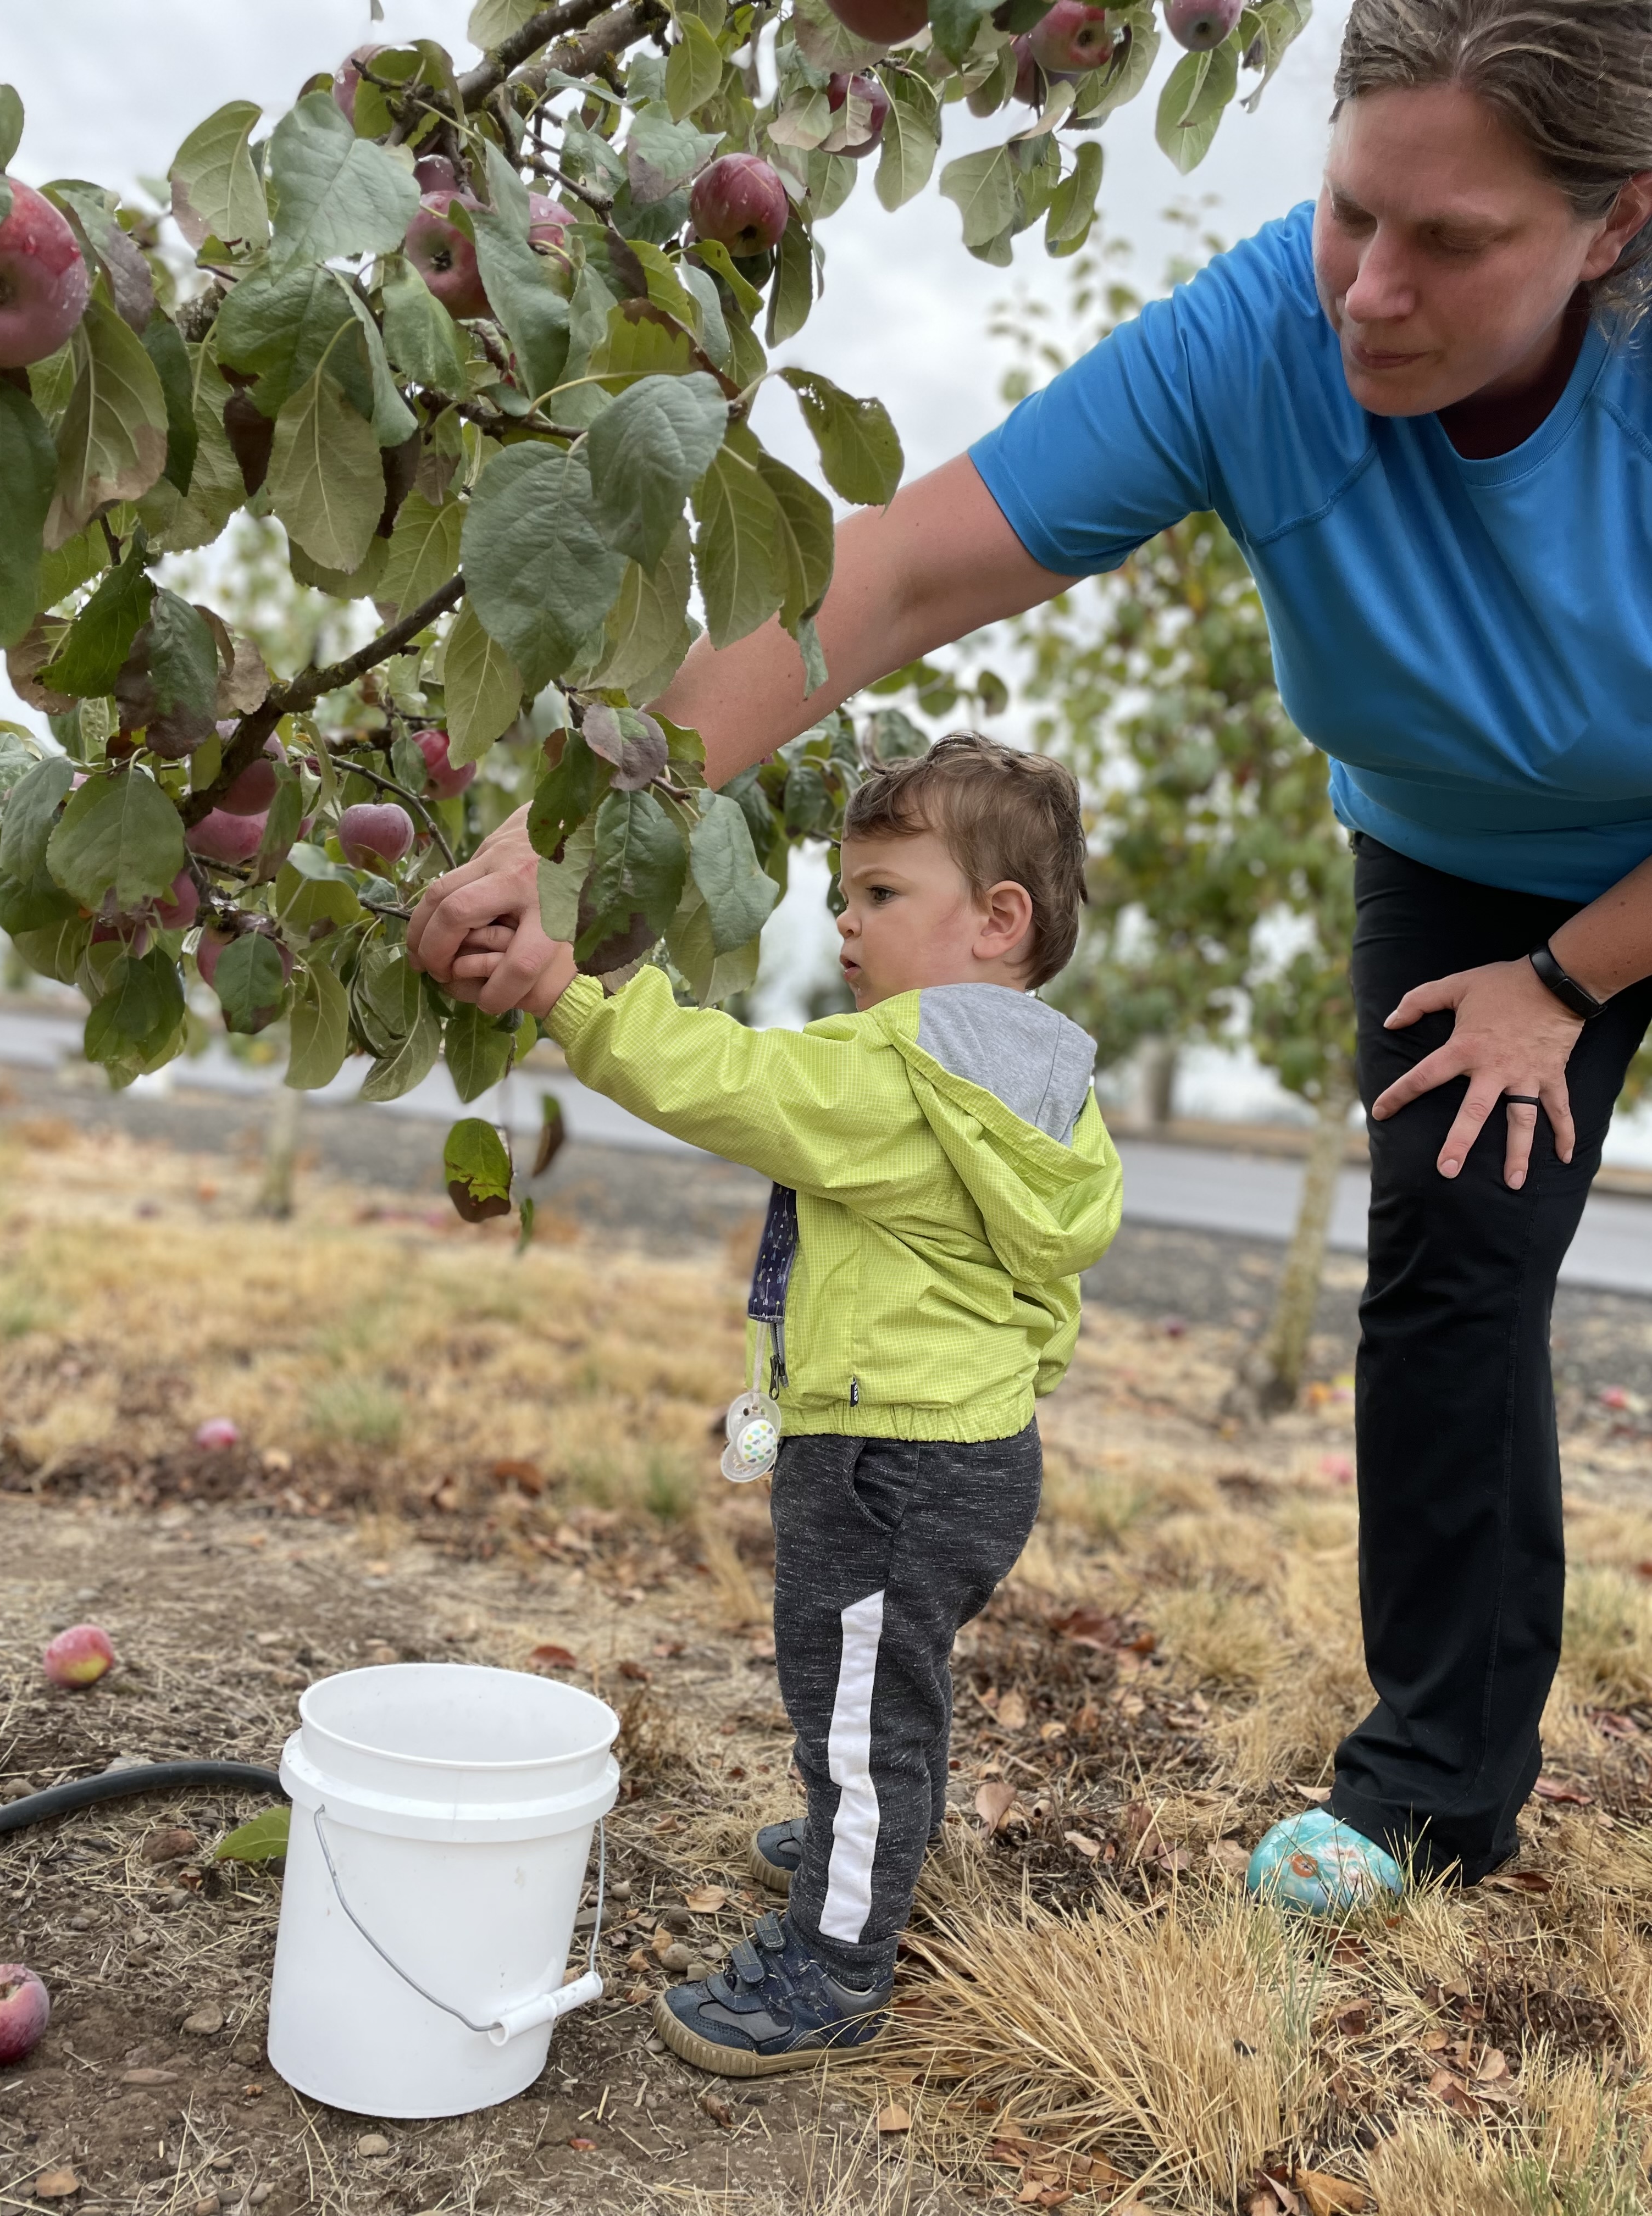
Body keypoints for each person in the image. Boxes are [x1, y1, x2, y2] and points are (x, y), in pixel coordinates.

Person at [414, 0, 1652, 1910]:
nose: (1368, 292)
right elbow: (900, 572)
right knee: (1453, 1272)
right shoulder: (1264, 339)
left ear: (1612, 226)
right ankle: (1434, 1799)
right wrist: (573, 837)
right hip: (1453, 850)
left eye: (1453, 245)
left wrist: (1568, 986)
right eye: (1348, 215)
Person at [454, 736, 1121, 2070]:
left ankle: (835, 1964)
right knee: (879, 1695)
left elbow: (739, 1087)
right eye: (845, 891)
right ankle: (848, 1848)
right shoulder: (1045, 1090)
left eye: (878, 893)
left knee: (864, 1715)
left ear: (1000, 921)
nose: (843, 920)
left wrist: (576, 1001)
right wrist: (1006, 1393)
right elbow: (1046, 1291)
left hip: (890, 1459)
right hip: (968, 1448)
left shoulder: (910, 1067)